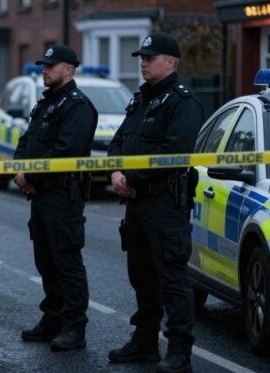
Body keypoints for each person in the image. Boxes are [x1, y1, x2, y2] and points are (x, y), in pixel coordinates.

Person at [107, 33, 203, 373]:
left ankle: (179, 352)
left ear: (171, 62)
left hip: (165, 205)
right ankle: (145, 342)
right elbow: (117, 142)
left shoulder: (182, 101)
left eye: (150, 57)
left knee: (172, 279)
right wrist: (116, 172)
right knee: (141, 276)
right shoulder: (140, 101)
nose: (143, 62)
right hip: (137, 205)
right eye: (141, 57)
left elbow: (172, 153)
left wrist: (130, 178)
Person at [14, 45, 98, 351]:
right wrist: (20, 171)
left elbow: (66, 151)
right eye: (43, 66)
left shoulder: (77, 107)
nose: (44, 70)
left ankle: (75, 327)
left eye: (51, 65)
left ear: (69, 69)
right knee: (46, 261)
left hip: (64, 195)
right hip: (41, 196)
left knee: (67, 262)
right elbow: (26, 141)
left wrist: (31, 176)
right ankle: (52, 319)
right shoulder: (46, 105)